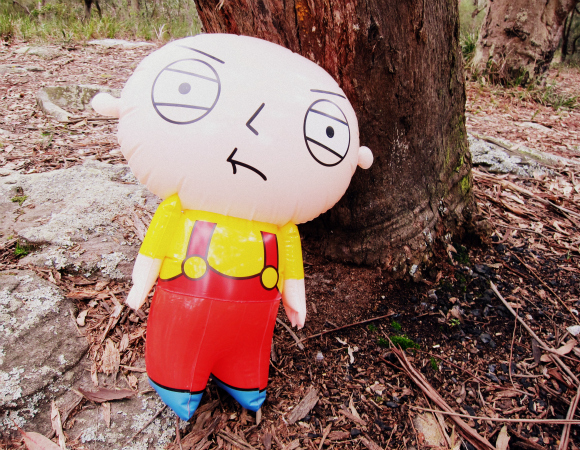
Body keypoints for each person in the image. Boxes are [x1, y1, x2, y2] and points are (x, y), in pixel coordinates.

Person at [92, 33, 373, 422]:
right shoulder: (179, 209)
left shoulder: (282, 229)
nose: (255, 127)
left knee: (248, 347)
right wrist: (140, 284)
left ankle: (245, 381)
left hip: (254, 308)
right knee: (182, 343)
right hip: (185, 297)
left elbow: (292, 265)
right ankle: (176, 380)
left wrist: (295, 298)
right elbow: (154, 247)